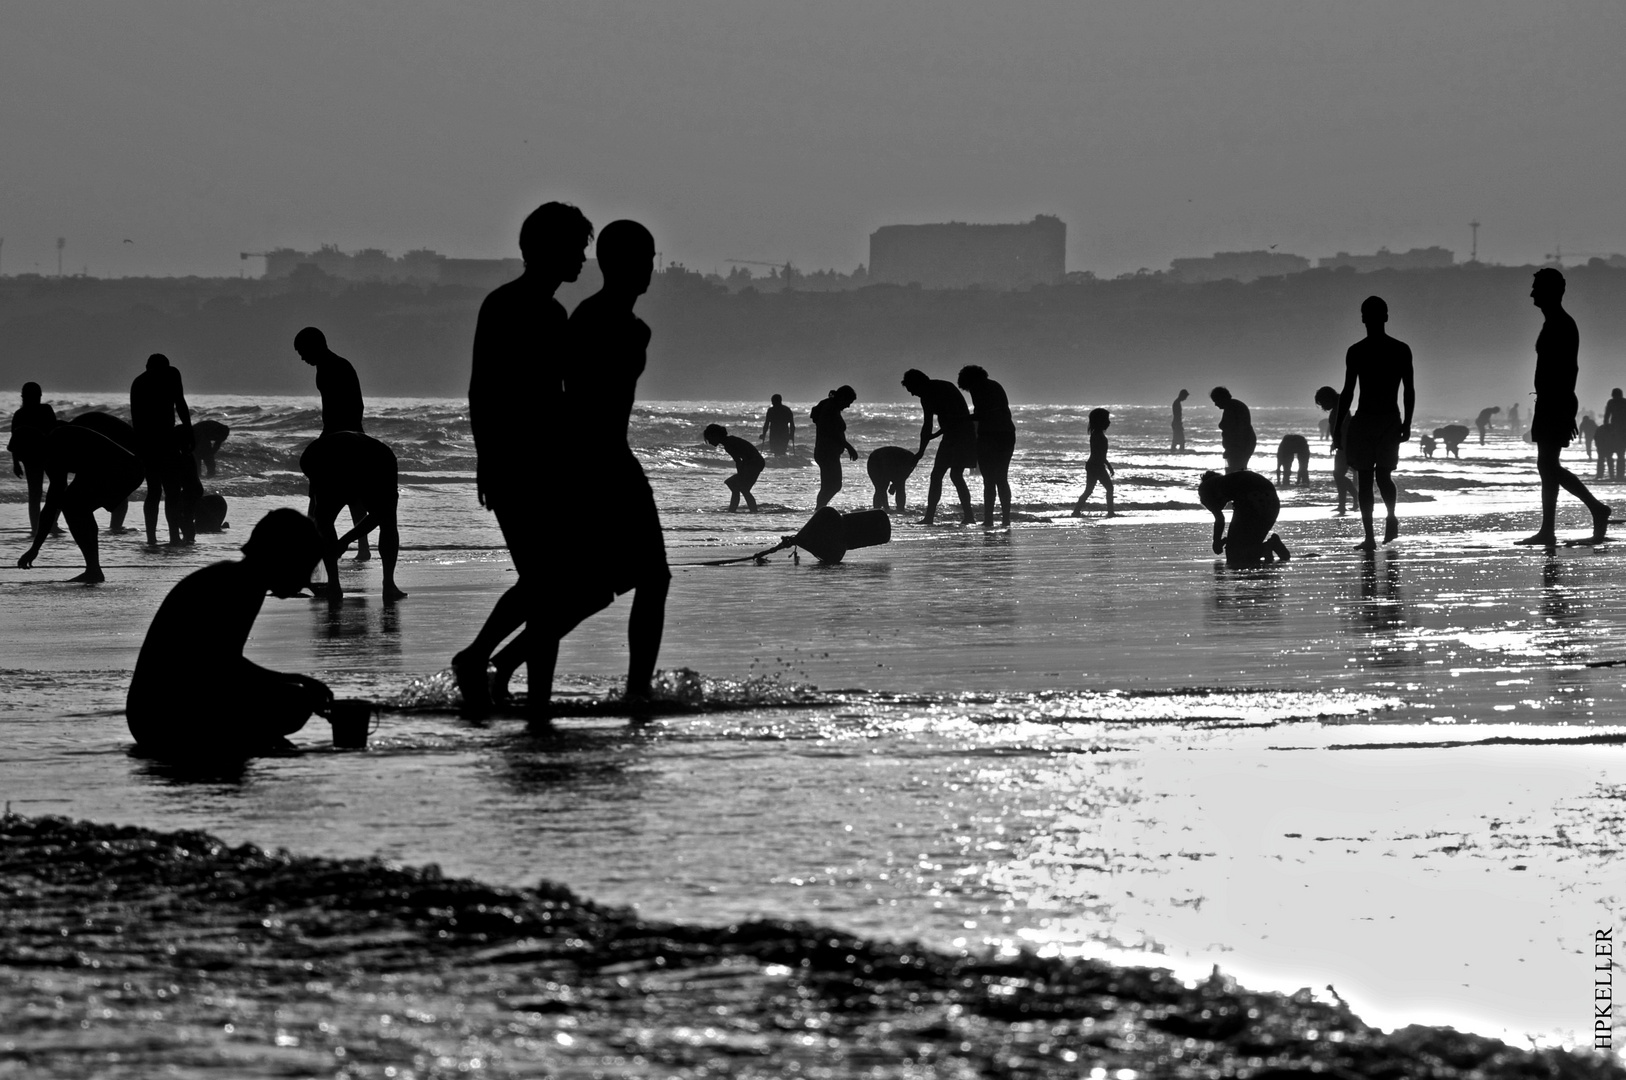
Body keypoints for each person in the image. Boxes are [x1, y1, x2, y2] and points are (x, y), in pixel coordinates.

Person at [451, 201, 595, 718]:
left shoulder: (554, 312)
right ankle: (523, 691)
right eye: (577, 247)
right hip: (516, 462)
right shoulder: (507, 305)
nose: (583, 256)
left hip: (553, 463)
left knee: (582, 586)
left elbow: (560, 395)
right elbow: (483, 389)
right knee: (546, 583)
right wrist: (486, 460)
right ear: (547, 249)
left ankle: (499, 665)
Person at [558, 219, 670, 719]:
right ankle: (637, 691)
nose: (650, 269)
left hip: (614, 460)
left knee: (618, 583)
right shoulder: (591, 319)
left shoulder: (633, 327)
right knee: (640, 579)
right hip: (595, 463)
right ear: (617, 264)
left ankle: (499, 660)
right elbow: (572, 400)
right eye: (643, 260)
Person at [125, 509, 333, 758]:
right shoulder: (236, 587)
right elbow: (222, 665)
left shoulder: (239, 579)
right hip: (161, 718)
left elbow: (218, 664)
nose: (306, 581)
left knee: (295, 699)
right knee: (295, 702)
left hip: (152, 710)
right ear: (282, 558)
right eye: (304, 568)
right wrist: (299, 680)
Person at [1516, 268, 1610, 546]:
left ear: (1552, 291)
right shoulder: (1552, 322)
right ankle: (1548, 529)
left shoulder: (1561, 323)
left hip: (1556, 400)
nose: (1532, 293)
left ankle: (1596, 508)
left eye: (1537, 288)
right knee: (1547, 465)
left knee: (1547, 463)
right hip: (1549, 400)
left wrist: (1565, 407)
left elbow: (1570, 368)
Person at [16, 423, 145, 583]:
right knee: (75, 505)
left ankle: (93, 570)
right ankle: (93, 569)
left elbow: (51, 506)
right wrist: (35, 548)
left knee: (72, 505)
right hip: (123, 469)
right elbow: (53, 504)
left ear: (31, 447)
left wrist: (34, 549)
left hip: (124, 470)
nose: (26, 462)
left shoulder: (56, 450)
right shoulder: (53, 447)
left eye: (23, 456)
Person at [1334, 296, 1415, 551]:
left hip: (1370, 420)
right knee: (1381, 476)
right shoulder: (1399, 349)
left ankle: (1373, 534)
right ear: (1386, 317)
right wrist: (1407, 423)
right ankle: (1383, 523)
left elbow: (1348, 392)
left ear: (1363, 318)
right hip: (1387, 419)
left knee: (1369, 478)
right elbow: (1408, 391)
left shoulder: (1358, 350)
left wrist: (1337, 428)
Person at [300, 431, 406, 600]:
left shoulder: (382, 462)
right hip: (325, 456)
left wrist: (344, 541)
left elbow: (380, 514)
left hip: (369, 459)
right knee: (324, 518)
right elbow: (320, 515)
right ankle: (338, 585)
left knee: (387, 519)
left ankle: (383, 584)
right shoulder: (314, 460)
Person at [295, 326, 370, 559]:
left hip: (340, 434)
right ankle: (361, 548)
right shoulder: (328, 366)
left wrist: (338, 436)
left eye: (303, 351)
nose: (302, 357)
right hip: (341, 432)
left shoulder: (333, 367)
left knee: (320, 494)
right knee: (353, 496)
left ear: (315, 345)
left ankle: (315, 544)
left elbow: (352, 406)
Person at [130, 353, 194, 545]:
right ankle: (168, 536)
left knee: (157, 490)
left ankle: (156, 537)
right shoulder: (169, 375)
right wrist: (189, 432)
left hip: (150, 442)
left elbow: (138, 420)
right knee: (168, 490)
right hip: (161, 441)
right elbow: (180, 403)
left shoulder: (141, 381)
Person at [902, 368, 977, 525]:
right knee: (941, 476)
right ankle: (931, 517)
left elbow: (956, 418)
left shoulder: (941, 389)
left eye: (912, 389)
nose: (912, 394)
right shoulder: (929, 395)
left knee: (951, 475)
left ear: (918, 384)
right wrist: (921, 451)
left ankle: (967, 517)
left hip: (963, 435)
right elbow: (927, 426)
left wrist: (924, 447)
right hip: (951, 435)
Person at [958, 364, 1015, 527]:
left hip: (990, 435)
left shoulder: (979, 389)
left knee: (989, 480)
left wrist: (962, 419)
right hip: (1007, 434)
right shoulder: (995, 385)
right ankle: (1005, 519)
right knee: (1001, 478)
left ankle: (989, 520)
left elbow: (982, 414)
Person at [1198, 470, 1291, 568]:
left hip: (1251, 499)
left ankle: (1268, 546)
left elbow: (1220, 518)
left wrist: (1216, 542)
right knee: (1250, 544)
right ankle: (1270, 545)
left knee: (1234, 556)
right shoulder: (1225, 482)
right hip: (1273, 501)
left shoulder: (1204, 491)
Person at [7, 381, 58, 537]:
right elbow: (15, 440)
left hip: (44, 456)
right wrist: (16, 463)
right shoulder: (22, 414)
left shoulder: (26, 413)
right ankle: (38, 528)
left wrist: (16, 463)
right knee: (39, 493)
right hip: (36, 457)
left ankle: (47, 525)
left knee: (46, 492)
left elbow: (15, 441)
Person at [810, 385, 858, 508]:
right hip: (826, 453)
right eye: (848, 402)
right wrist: (849, 447)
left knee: (830, 486)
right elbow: (831, 432)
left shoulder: (830, 406)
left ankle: (820, 509)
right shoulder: (830, 408)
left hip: (826, 452)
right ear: (842, 398)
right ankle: (819, 509)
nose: (848, 406)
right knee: (833, 485)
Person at [1314, 385, 1355, 515]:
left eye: (1323, 403)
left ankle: (1353, 498)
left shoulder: (1340, 408)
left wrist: (1339, 443)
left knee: (1338, 474)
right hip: (1341, 445)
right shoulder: (1339, 407)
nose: (1323, 407)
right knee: (1338, 474)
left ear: (1328, 399)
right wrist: (1335, 442)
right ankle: (1343, 504)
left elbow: (1345, 428)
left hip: (1345, 446)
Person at [704, 423, 765, 511]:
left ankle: (751, 510)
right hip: (753, 462)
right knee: (735, 485)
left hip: (754, 463)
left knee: (743, 488)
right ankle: (733, 510)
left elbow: (738, 461)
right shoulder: (730, 441)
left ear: (715, 435)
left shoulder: (729, 444)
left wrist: (741, 475)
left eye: (710, 438)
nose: (709, 442)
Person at [1072, 407, 1116, 516]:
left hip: (1095, 465)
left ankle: (1076, 511)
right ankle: (1110, 512)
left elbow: (1100, 454)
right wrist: (1108, 465)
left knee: (1089, 490)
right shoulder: (1097, 436)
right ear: (1100, 421)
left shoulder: (1098, 434)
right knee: (1108, 488)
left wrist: (1107, 465)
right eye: (1107, 420)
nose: (1109, 422)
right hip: (1096, 466)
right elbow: (1098, 454)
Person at [1210, 386, 1255, 473]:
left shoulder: (1232, 408)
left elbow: (1237, 432)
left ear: (1222, 398)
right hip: (1242, 446)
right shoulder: (1232, 406)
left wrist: (1231, 449)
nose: (1215, 404)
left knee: (1235, 472)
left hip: (1239, 447)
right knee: (1237, 470)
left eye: (1216, 401)